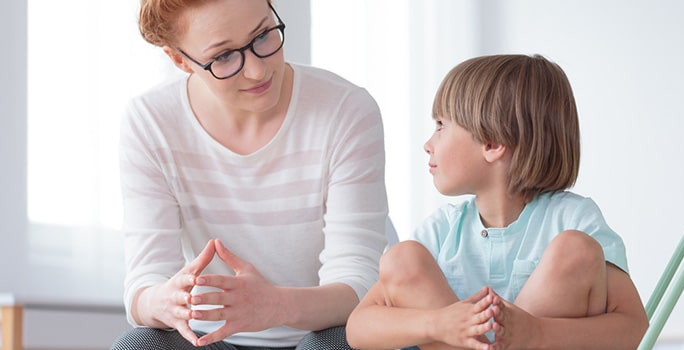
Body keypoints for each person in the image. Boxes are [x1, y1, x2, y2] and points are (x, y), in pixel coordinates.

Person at [110, 0, 389, 349]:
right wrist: (163, 301)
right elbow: (143, 286)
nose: (258, 70)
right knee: (141, 344)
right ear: (180, 60)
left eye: (263, 35)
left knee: (337, 343)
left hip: (319, 331)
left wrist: (277, 306)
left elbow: (359, 286)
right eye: (224, 57)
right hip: (211, 339)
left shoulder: (345, 110)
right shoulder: (150, 122)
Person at [345, 54, 649, 350]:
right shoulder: (441, 232)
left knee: (576, 248)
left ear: (492, 144)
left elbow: (634, 328)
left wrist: (538, 333)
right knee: (402, 258)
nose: (428, 144)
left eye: (441, 125)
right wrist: (438, 323)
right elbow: (358, 328)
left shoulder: (573, 219)